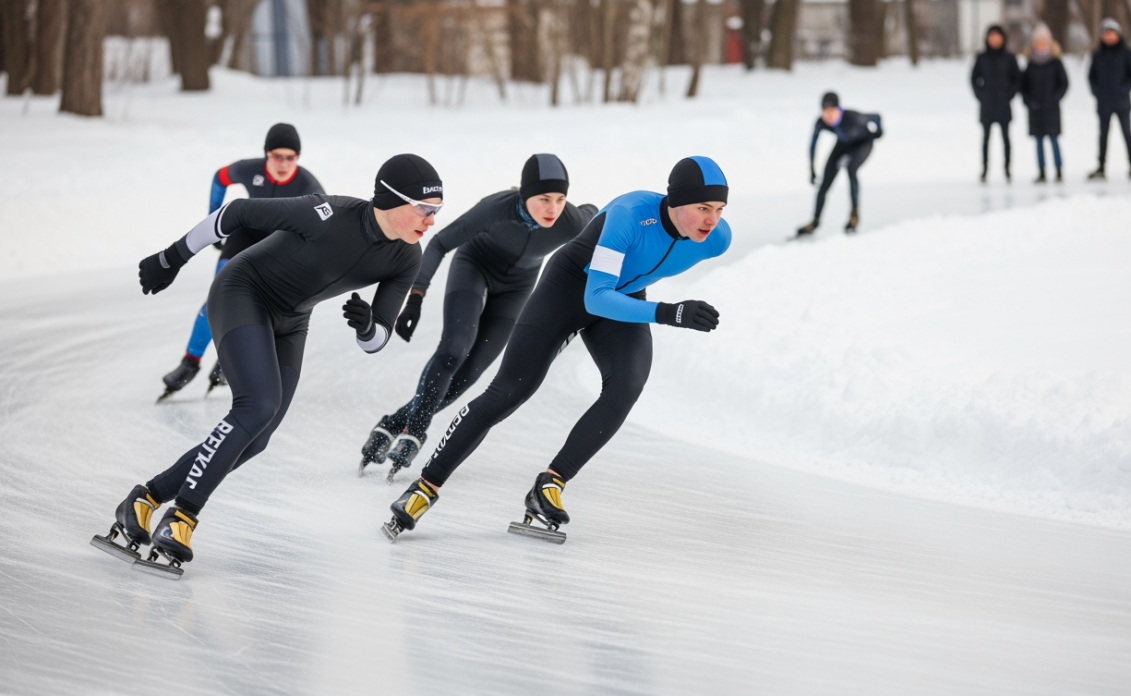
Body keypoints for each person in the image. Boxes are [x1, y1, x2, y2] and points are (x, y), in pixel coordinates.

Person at [93, 154, 441, 575]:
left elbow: (376, 341)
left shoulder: (407, 257)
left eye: (436, 211)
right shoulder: (326, 212)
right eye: (424, 209)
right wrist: (171, 258)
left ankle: (145, 498)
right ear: (392, 201)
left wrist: (367, 325)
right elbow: (237, 212)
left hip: (292, 321)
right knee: (255, 406)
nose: (431, 220)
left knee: (258, 436)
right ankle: (181, 517)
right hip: (243, 292)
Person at [381, 157, 731, 541]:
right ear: (674, 201)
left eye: (718, 210)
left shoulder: (717, 240)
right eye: (702, 208)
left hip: (623, 298)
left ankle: (550, 484)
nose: (711, 220)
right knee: (509, 391)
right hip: (569, 289)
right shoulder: (632, 214)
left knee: (627, 386)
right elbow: (597, 297)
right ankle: (424, 488)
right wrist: (669, 312)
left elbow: (620, 288)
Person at [359, 154, 600, 480]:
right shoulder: (495, 208)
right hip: (474, 268)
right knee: (452, 352)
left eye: (560, 199)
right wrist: (415, 297)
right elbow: (440, 243)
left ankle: (393, 423)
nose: (552, 209)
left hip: (517, 289)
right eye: (543, 199)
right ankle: (415, 430)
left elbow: (599, 216)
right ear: (524, 194)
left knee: (468, 376)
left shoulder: (572, 221)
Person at [159, 123, 326, 401]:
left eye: (290, 158)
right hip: (244, 234)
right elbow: (219, 177)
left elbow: (323, 226)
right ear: (266, 155)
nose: (283, 164)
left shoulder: (310, 186)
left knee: (258, 306)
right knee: (217, 298)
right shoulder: (250, 169)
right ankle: (189, 363)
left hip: (278, 244)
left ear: (298, 157)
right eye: (277, 157)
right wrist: (213, 221)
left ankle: (228, 361)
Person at [796, 91, 882, 237]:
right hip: (843, 144)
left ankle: (854, 216)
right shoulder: (821, 122)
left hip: (863, 144)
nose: (828, 116)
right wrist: (812, 169)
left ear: (839, 109)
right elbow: (813, 145)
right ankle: (815, 221)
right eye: (825, 112)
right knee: (825, 181)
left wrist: (879, 131)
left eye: (832, 111)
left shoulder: (852, 117)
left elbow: (876, 116)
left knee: (851, 169)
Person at [1087, 18, 1131, 181]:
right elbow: (1091, 77)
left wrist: (1124, 89)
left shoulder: (1126, 53)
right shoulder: (1097, 55)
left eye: (1112, 34)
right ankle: (1101, 166)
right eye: (1106, 34)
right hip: (1103, 102)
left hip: (1122, 102)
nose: (1109, 37)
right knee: (1103, 135)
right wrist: (1097, 92)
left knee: (1126, 133)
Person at [971, 25, 1022, 183]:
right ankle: (985, 169)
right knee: (986, 138)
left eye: (997, 36)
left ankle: (1007, 168)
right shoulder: (982, 57)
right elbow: (974, 79)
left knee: (1006, 138)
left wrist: (1009, 95)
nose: (994, 39)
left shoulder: (1009, 58)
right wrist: (981, 95)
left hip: (1003, 105)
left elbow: (1017, 79)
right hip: (987, 105)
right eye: (991, 36)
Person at [1020, 23, 1069, 183]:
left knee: (1054, 140)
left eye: (1044, 41)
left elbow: (1064, 83)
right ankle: (1041, 171)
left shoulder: (1056, 63)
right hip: (1035, 111)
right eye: (1038, 41)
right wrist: (1029, 102)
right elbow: (1023, 86)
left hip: (1052, 109)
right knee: (1039, 142)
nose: (1041, 44)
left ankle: (1059, 170)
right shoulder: (1030, 64)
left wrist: (1055, 98)